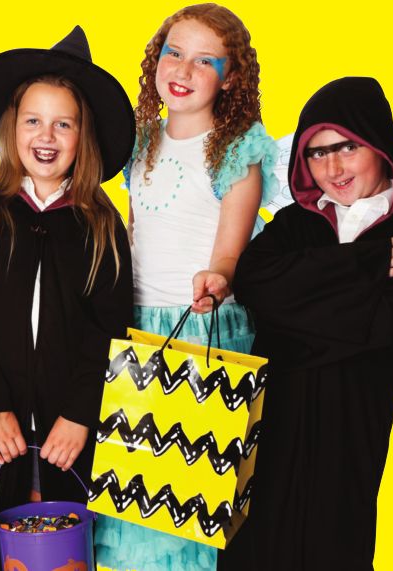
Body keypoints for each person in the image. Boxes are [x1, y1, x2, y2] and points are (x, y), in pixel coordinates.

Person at [216, 76, 393, 570]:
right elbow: (253, 285)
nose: (333, 168)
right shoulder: (294, 224)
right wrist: (366, 266)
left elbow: (382, 328)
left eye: (347, 147)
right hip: (273, 419)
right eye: (317, 153)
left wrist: (290, 309)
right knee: (256, 542)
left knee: (335, 542)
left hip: (354, 417)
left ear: (379, 145)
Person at [0, 26, 135, 570]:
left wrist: (80, 414)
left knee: (64, 551)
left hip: (68, 428)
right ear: (12, 127)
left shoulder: (101, 225)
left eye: (63, 124)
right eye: (33, 121)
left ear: (83, 136)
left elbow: (109, 328)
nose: (47, 136)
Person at [93, 4, 279, 570]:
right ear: (156, 58)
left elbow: (230, 249)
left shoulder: (237, 147)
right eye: (174, 52)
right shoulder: (141, 140)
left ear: (231, 77)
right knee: (127, 489)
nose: (183, 69)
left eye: (205, 61)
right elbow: (135, 231)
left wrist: (217, 277)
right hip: (134, 328)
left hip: (200, 324)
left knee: (187, 496)